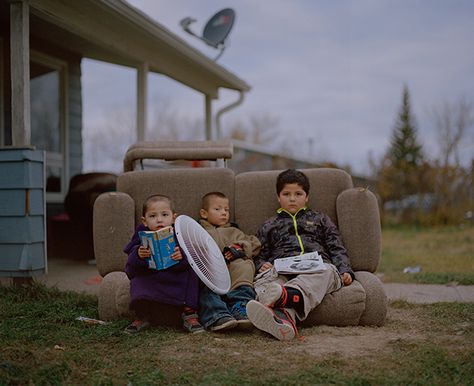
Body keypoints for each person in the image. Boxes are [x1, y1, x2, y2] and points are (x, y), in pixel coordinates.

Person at [246, 169, 354, 341]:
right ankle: (285, 321)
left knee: (327, 271)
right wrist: (261, 264)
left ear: (307, 197)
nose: (292, 198)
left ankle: (283, 298)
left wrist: (344, 269)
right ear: (278, 197)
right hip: (282, 270)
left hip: (317, 269)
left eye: (298, 193)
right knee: (266, 282)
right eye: (286, 194)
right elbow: (258, 253)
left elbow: (336, 247)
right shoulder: (270, 225)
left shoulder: (320, 219)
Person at [123, 194, 204, 334]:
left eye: (164, 215)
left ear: (173, 217)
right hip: (152, 273)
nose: (159, 220)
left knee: (192, 272)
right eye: (152, 216)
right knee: (139, 278)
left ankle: (189, 314)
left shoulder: (180, 233)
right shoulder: (141, 234)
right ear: (145, 221)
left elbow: (193, 256)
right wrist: (138, 254)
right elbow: (130, 261)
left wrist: (182, 256)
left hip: (175, 273)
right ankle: (142, 316)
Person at [198, 192, 261, 331]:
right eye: (217, 209)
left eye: (226, 210)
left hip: (234, 272)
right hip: (211, 273)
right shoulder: (198, 231)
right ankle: (217, 315)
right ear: (204, 213)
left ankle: (241, 307)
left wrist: (240, 247)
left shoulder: (234, 231)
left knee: (244, 265)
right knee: (203, 284)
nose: (223, 213)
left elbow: (254, 243)